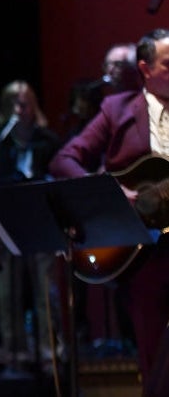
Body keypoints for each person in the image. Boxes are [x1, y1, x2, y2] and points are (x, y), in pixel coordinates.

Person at [49, 28, 169, 394]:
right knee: (154, 355)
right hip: (143, 252)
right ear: (146, 69)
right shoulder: (116, 109)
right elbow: (64, 159)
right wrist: (114, 194)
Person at [0, 80, 64, 373]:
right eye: (14, 104)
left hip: (41, 226)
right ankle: (15, 354)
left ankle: (51, 353)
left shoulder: (47, 141)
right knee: (7, 294)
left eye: (25, 103)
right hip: (4, 227)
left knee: (45, 292)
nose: (20, 110)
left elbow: (60, 179)